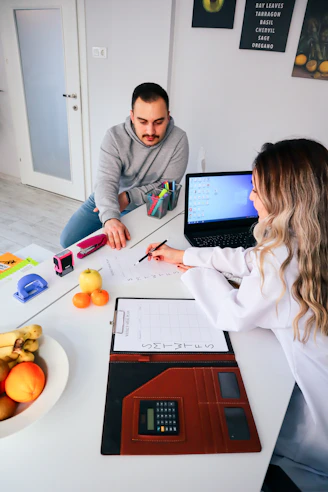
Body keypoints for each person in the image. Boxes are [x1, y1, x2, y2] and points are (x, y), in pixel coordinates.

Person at [145, 138, 328, 491]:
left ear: (285, 199)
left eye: (256, 190)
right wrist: (184, 254)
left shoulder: (280, 263)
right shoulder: (310, 235)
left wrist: (192, 273)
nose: (250, 198)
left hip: (318, 427)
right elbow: (249, 260)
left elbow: (231, 314)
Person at [60, 82, 189, 249]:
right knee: (68, 241)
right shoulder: (114, 136)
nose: (150, 131)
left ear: (168, 116)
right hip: (109, 196)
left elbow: (166, 186)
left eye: (158, 122)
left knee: (124, 251)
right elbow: (106, 181)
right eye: (143, 121)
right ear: (132, 116)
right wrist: (110, 217)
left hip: (149, 206)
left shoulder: (179, 139)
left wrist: (128, 197)